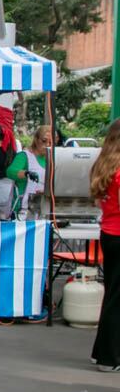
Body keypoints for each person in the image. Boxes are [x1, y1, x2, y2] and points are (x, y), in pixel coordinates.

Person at [89, 119, 120, 372]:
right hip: (118, 233)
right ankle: (109, 358)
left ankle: (101, 352)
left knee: (112, 294)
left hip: (109, 233)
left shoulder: (103, 165)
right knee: (116, 299)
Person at [6, 125, 51, 219]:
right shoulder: (24, 156)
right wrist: (26, 173)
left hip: (46, 209)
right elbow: (10, 172)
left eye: (50, 142)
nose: (47, 144)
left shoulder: (52, 159)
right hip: (24, 210)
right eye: (44, 141)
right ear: (36, 139)